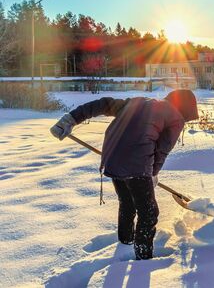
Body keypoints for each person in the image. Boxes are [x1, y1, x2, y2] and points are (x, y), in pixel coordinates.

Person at [50, 89, 199, 260]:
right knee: (149, 213)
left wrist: (71, 119)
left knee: (127, 202)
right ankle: (143, 259)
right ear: (186, 109)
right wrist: (151, 174)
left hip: (112, 159)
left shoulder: (137, 102)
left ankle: (125, 241)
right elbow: (162, 150)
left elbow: (103, 104)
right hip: (137, 164)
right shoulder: (176, 118)